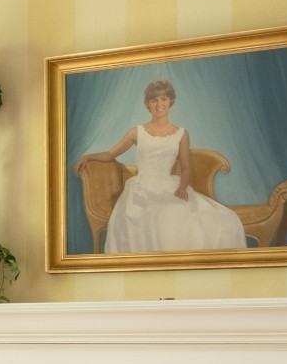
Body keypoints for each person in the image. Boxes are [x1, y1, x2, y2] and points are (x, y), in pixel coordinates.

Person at [76, 79, 245, 253]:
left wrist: (182, 187)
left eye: (164, 99)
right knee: (158, 213)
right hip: (142, 187)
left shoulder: (181, 134)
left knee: (213, 217)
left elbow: (186, 167)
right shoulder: (137, 132)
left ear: (170, 101)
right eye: (154, 100)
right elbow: (111, 154)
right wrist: (89, 156)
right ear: (148, 104)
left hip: (169, 185)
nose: (159, 104)